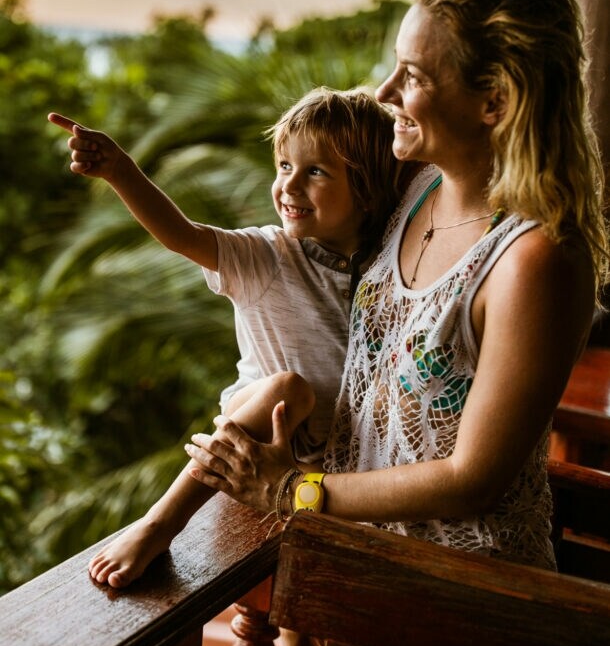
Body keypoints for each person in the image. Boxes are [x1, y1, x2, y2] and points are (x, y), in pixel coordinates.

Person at [185, 0, 608, 573]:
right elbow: (333, 128)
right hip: (358, 555)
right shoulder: (413, 183)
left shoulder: (537, 260)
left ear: (493, 100)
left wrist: (289, 491)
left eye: (411, 75)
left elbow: (473, 479)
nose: (385, 94)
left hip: (461, 591)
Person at [48, 86, 410, 588]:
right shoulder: (266, 255)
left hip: (332, 466)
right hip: (257, 437)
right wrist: (120, 171)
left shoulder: (390, 263)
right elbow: (182, 233)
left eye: (316, 171)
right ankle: (159, 522)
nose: (289, 185)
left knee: (306, 607)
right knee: (289, 388)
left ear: (368, 190)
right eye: (284, 166)